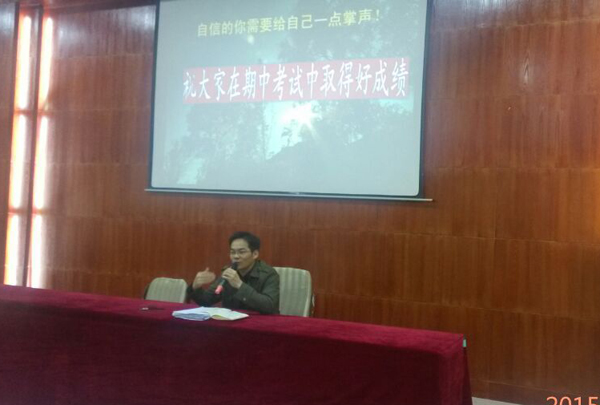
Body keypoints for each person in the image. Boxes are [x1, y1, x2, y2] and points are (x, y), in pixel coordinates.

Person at [188, 231, 280, 314]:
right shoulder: (229, 272)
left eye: (241, 252)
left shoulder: (269, 274)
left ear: (255, 254)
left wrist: (240, 285)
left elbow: (270, 306)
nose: (236, 256)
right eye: (232, 252)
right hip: (232, 322)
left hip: (260, 323)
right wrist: (196, 287)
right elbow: (206, 301)